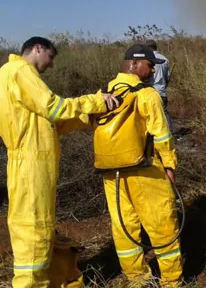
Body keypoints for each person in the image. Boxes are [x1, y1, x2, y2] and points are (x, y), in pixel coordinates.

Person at [0, 36, 119, 287]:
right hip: (32, 163)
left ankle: (47, 279)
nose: (51, 64)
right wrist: (95, 101)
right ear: (37, 48)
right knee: (35, 229)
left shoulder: (10, 74)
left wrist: (88, 116)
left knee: (37, 227)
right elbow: (53, 108)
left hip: (30, 160)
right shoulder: (21, 70)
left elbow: (48, 124)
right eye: (50, 57)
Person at [93, 44, 183, 287]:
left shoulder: (103, 92)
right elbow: (162, 135)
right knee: (162, 224)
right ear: (134, 64)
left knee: (124, 227)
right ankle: (171, 281)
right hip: (145, 170)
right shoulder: (147, 94)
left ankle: (137, 279)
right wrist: (170, 166)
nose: (153, 70)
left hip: (111, 173)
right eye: (150, 65)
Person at [145, 39, 173, 132]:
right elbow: (167, 76)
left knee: (150, 113)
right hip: (161, 90)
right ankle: (170, 132)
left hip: (149, 91)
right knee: (164, 112)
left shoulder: (146, 59)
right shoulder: (165, 59)